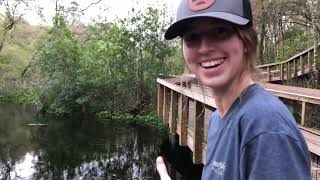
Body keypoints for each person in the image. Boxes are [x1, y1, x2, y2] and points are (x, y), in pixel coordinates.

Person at [156, 0, 312, 179]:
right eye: (192, 37)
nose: (205, 48)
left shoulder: (267, 129)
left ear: (247, 41)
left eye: (220, 31)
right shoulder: (217, 118)